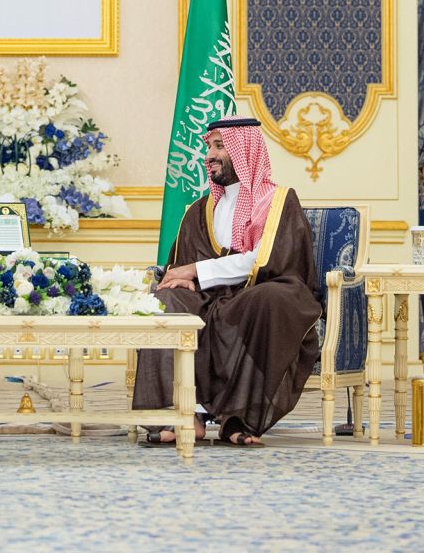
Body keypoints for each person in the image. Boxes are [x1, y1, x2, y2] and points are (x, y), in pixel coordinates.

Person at [133, 116, 321, 446]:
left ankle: (240, 419)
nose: (209, 154)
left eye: (220, 146)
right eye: (208, 146)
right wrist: (184, 280)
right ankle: (180, 414)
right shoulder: (200, 208)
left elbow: (265, 259)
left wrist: (196, 271)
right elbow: (180, 265)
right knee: (165, 299)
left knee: (268, 300)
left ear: (244, 149)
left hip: (258, 292)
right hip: (210, 298)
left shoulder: (277, 202)